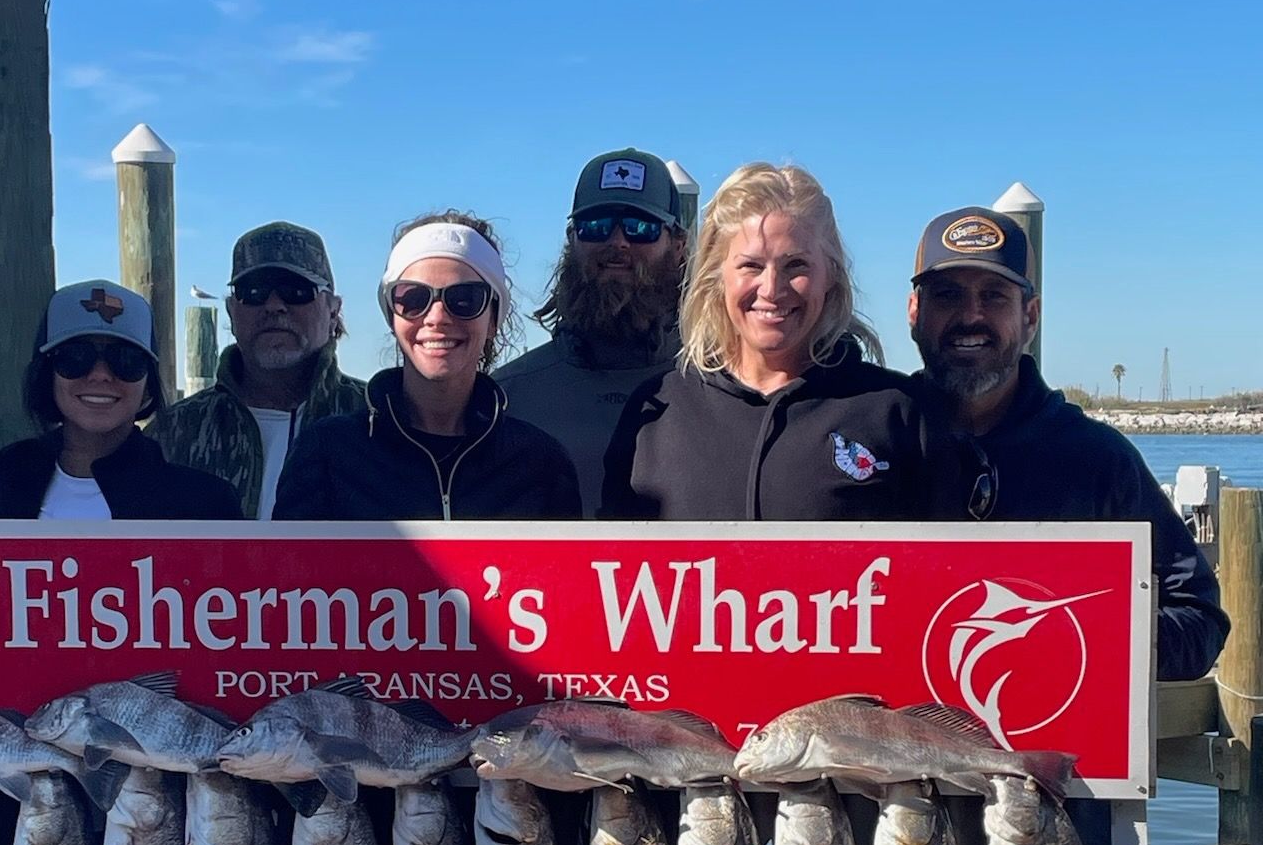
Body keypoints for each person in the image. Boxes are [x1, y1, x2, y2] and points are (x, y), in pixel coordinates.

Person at [908, 206, 1228, 682]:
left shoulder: (1099, 459)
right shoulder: (871, 441)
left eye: (994, 296)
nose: (970, 316)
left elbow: (1197, 619)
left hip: (1054, 747)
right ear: (914, 312)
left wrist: (1074, 637)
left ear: (1030, 316)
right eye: (947, 295)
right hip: (894, 751)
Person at [601, 164, 963, 521]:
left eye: (796, 266)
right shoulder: (657, 413)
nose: (772, 290)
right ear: (717, 275)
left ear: (830, 275)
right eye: (751, 266)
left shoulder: (901, 413)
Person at [274, 213, 581, 521]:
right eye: (413, 298)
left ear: (492, 320)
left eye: (465, 298)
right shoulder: (327, 453)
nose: (437, 317)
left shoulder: (541, 463)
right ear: (392, 318)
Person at [0, 280, 242, 521]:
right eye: (75, 357)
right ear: (47, 373)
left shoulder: (207, 506)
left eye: (126, 360)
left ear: (148, 384)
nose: (101, 375)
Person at [497, 148, 688, 513]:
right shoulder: (505, 401)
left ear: (677, 246)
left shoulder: (722, 394)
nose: (617, 243)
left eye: (640, 228)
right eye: (596, 226)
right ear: (572, 239)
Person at [148, 221, 365, 517]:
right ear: (231, 310)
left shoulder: (380, 424)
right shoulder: (170, 433)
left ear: (333, 310)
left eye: (296, 291)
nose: (274, 305)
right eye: (253, 291)